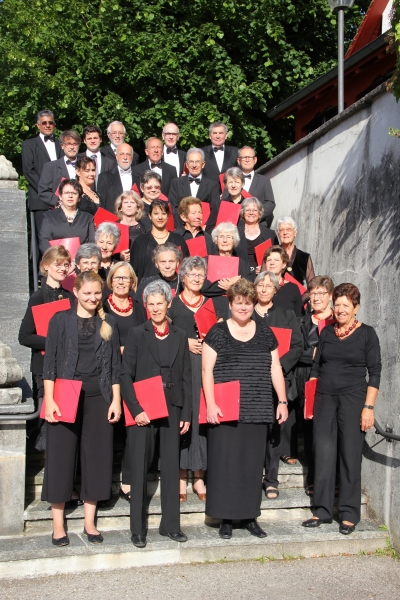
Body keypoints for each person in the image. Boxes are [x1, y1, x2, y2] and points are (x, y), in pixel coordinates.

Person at [202, 279, 288, 539]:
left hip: (258, 406)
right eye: (238, 302)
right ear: (230, 304)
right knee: (225, 465)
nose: (243, 307)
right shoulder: (217, 332)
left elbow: (275, 368)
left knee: (251, 466)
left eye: (247, 303)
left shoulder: (265, 332)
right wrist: (211, 403)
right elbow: (206, 370)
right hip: (225, 409)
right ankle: (225, 518)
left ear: (253, 304)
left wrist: (282, 401)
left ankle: (250, 516)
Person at [41, 271, 121, 547]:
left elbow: (115, 368)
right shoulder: (59, 321)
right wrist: (49, 399)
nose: (92, 298)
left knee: (97, 458)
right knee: (60, 458)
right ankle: (58, 525)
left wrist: (116, 400)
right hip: (64, 393)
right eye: (87, 293)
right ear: (75, 292)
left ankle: (89, 522)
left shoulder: (109, 322)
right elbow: (49, 362)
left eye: (97, 293)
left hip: (99, 396)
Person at [302, 283, 381, 535]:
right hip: (325, 399)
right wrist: (311, 400)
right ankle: (322, 511)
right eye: (337, 304)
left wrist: (368, 407)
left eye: (346, 305)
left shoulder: (367, 334)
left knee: (349, 455)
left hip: (353, 400)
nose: (340, 309)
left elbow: (375, 373)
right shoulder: (326, 333)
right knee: (323, 455)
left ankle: (348, 513)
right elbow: (316, 366)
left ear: (356, 307)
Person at [120, 280, 192, 548]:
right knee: (139, 468)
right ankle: (138, 529)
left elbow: (186, 376)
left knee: (172, 467)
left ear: (168, 303)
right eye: (150, 304)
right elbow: (126, 374)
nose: (155, 308)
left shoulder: (180, 334)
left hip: (173, 406)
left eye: (159, 303)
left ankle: (170, 525)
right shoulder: (137, 333)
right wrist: (136, 409)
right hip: (144, 408)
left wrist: (186, 411)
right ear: (146, 306)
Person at [168, 257, 229, 503]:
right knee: (185, 418)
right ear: (182, 277)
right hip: (181, 369)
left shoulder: (216, 304)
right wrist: (186, 342)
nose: (196, 278)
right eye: (192, 274)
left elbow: (226, 333)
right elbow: (160, 334)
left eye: (200, 274)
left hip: (208, 368)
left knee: (203, 419)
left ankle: (200, 477)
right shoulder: (172, 305)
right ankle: (181, 476)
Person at [252, 270, 303, 498]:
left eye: (268, 285)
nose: (263, 289)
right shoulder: (245, 313)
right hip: (251, 381)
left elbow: (297, 346)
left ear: (275, 289)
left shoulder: (287, 315)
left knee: (275, 431)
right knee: (253, 431)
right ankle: (252, 477)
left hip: (278, 381)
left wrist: (278, 367)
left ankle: (271, 479)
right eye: (260, 285)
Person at [18, 246, 74, 451]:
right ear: (46, 266)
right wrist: (52, 342)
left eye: (66, 264)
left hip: (67, 365)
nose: (62, 268)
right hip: (44, 366)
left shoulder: (70, 297)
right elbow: (24, 336)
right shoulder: (38, 297)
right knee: (47, 415)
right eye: (57, 264)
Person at [295, 275, 335, 496]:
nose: (317, 298)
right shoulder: (302, 321)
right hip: (307, 377)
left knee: (331, 430)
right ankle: (312, 478)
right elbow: (297, 350)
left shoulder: (337, 320)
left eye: (321, 294)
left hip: (332, 377)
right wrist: (316, 355)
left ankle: (332, 478)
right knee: (310, 429)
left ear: (330, 296)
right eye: (313, 293)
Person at [22, 110, 63, 236]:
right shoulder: (29, 144)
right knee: (42, 238)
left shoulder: (60, 144)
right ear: (38, 125)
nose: (48, 125)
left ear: (54, 125)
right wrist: (47, 190)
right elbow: (29, 171)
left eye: (50, 122)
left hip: (61, 199)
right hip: (40, 200)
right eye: (44, 123)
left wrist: (60, 193)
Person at [130, 200, 188, 283]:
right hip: (147, 290)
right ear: (150, 216)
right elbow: (134, 272)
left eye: (164, 213)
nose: (160, 217)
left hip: (173, 290)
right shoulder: (140, 241)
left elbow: (185, 267)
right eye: (156, 213)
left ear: (168, 216)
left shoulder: (178, 240)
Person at [39, 179, 95, 255]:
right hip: (56, 262)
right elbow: (43, 241)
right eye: (66, 193)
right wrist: (55, 259)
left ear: (79, 198)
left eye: (74, 193)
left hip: (81, 263)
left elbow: (91, 243)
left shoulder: (88, 218)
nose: (70, 196)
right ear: (60, 196)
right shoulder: (49, 217)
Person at [169, 148, 220, 229]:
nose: (194, 165)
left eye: (197, 162)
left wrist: (206, 227)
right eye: (191, 162)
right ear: (187, 164)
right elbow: (173, 208)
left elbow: (214, 209)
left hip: (203, 229)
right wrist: (182, 227)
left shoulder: (212, 185)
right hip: (181, 229)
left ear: (203, 164)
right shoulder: (176, 183)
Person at [38, 130, 81, 208]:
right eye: (68, 144)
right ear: (62, 146)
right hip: (59, 211)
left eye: (75, 144)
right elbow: (43, 191)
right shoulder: (50, 167)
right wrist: (58, 201)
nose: (72, 147)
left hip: (81, 211)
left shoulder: (84, 165)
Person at [236, 197, 277, 278]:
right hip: (239, 276)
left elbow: (277, 257)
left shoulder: (270, 234)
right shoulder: (234, 232)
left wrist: (266, 268)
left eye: (255, 210)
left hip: (262, 277)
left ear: (259, 213)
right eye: (247, 210)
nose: (251, 213)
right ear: (243, 212)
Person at [235, 146, 275, 226]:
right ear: (239, 161)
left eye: (250, 157)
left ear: (255, 160)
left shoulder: (264, 180)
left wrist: (256, 216)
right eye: (244, 157)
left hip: (259, 225)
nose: (247, 160)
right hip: (237, 225)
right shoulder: (232, 181)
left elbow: (270, 203)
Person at [260, 246, 303, 317]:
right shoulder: (258, 287)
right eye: (269, 260)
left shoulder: (293, 289)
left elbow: (299, 318)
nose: (272, 263)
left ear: (284, 264)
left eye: (276, 260)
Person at [276, 217, 315, 288]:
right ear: (278, 233)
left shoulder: (304, 257)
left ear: (295, 232)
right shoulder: (272, 254)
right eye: (281, 230)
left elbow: (312, 286)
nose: (285, 233)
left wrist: (300, 298)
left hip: (299, 297)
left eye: (289, 229)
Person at [97, 143, 136, 212]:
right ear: (116, 156)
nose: (125, 157)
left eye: (128, 154)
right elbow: (101, 205)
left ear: (132, 157)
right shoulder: (104, 177)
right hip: (113, 220)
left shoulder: (140, 176)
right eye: (122, 154)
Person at [114, 190, 146, 260]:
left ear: (138, 207)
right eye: (125, 202)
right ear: (120, 207)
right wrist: (119, 256)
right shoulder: (114, 227)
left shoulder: (144, 228)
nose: (129, 205)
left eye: (132, 202)